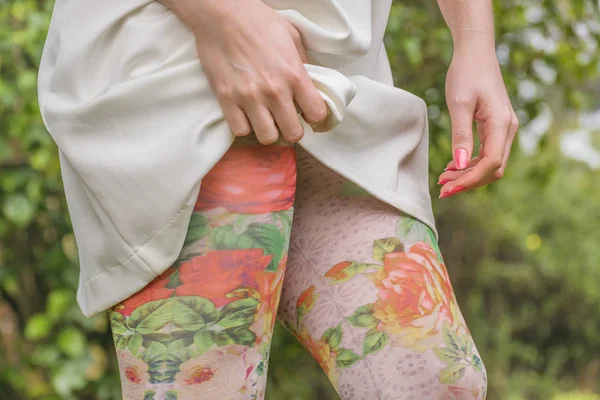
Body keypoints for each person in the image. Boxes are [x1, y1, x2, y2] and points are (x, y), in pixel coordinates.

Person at [38, 0, 517, 399]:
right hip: (174, 61)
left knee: (434, 381)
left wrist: (474, 42)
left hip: (339, 80)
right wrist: (222, 16)